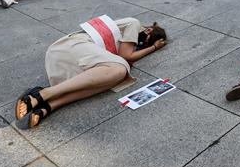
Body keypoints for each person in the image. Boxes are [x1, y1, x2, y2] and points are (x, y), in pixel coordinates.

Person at [14, 17, 166, 129]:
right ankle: (41, 94)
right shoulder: (135, 23)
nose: (138, 46)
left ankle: (51, 105)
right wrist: (153, 48)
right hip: (71, 46)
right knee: (120, 69)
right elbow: (126, 55)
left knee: (115, 78)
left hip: (74, 56)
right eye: (143, 42)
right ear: (148, 30)